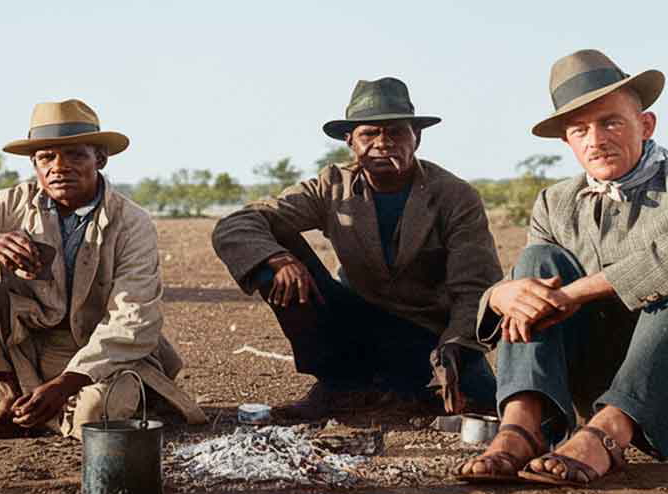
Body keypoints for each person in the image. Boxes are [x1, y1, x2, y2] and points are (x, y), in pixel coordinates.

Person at [456, 50, 668, 485]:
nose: (595, 140)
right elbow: (534, 290)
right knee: (536, 266)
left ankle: (609, 435)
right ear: (568, 143)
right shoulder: (554, 203)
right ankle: (521, 426)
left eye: (610, 122)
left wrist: (580, 292)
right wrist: (500, 295)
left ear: (646, 125)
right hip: (609, 378)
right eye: (580, 130)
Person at [0, 99, 207, 440]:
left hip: (98, 354)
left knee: (95, 419)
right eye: (47, 157)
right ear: (34, 164)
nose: (59, 167)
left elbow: (133, 319)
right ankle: (13, 396)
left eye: (75, 155)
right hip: (27, 347)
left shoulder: (132, 222)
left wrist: (65, 385)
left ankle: (54, 409)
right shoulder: (11, 204)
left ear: (99, 159)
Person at [212, 77, 503, 421]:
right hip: (353, 322)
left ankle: (396, 387)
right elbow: (236, 223)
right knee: (265, 248)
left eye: (395, 132)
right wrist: (277, 258)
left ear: (417, 138)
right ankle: (339, 383)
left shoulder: (455, 196)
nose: (383, 143)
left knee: (484, 400)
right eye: (370, 134)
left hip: (428, 337)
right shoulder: (331, 184)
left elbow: (475, 289)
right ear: (350, 141)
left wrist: (456, 346)